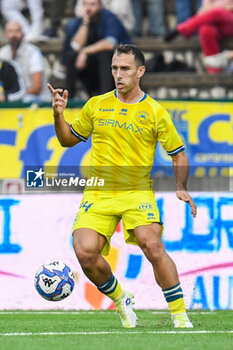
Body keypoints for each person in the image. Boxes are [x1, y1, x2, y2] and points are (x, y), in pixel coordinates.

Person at [48, 43, 197, 328]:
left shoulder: (155, 112)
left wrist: (181, 186)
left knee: (152, 245)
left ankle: (179, 315)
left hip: (137, 190)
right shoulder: (97, 104)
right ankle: (120, 298)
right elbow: (68, 140)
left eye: (125, 69)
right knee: (84, 251)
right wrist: (58, 115)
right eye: (115, 68)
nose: (119, 74)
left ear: (140, 71)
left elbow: (178, 152)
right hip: (99, 191)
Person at [62, 0, 131, 98]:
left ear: (100, 6)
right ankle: (69, 98)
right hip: (91, 67)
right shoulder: (79, 22)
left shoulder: (110, 18)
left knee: (105, 56)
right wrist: (85, 23)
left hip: (117, 68)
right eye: (85, 4)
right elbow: (76, 46)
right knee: (72, 57)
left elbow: (110, 43)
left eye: (92, 4)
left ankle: (105, 99)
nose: (88, 8)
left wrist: (85, 51)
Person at [165, 0, 233, 73]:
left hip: (228, 19)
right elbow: (205, 9)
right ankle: (215, 74)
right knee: (205, 29)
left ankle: (182, 28)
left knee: (217, 12)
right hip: (216, 21)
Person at [0, 21, 50, 103]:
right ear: (5, 34)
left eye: (17, 31)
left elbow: (37, 87)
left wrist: (12, 97)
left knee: (27, 99)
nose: (14, 35)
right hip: (12, 100)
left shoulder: (33, 52)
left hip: (38, 100)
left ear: (22, 33)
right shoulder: (2, 54)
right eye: (10, 31)